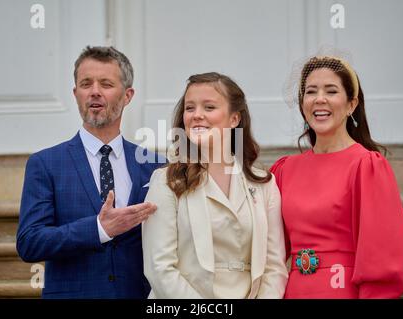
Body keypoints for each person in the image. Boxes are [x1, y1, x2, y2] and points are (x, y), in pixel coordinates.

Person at [17, 46, 164, 298]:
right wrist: (98, 228)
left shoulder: (155, 166)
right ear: (75, 94)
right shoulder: (45, 163)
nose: (95, 91)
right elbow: (30, 242)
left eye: (106, 84)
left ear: (128, 95)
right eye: (86, 84)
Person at [271, 56, 403, 298]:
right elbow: (270, 251)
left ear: (351, 104)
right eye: (311, 91)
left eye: (331, 91)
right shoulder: (284, 170)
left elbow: (382, 259)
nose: (319, 99)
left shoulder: (367, 166)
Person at [142, 72, 288, 299]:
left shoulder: (264, 184)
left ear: (234, 119)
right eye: (190, 108)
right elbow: (160, 268)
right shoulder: (166, 182)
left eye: (209, 107)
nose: (197, 115)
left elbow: (274, 267)